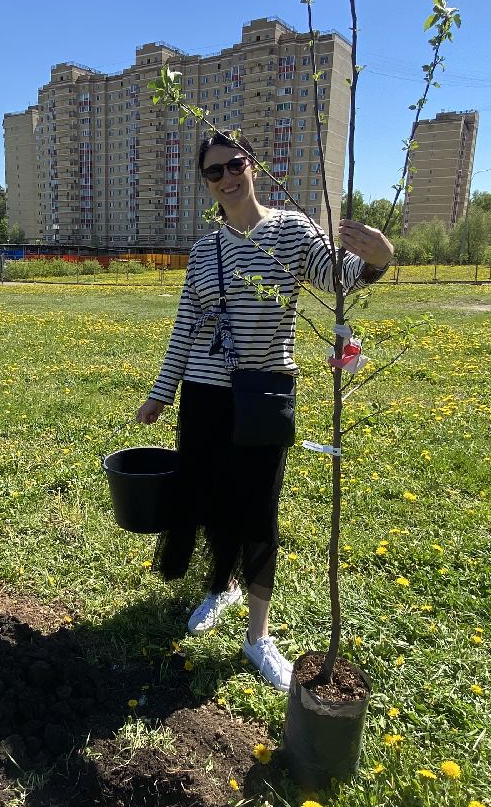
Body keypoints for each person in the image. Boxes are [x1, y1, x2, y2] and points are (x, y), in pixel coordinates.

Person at [136, 132, 394, 692]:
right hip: (205, 394)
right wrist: (162, 391)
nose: (227, 177)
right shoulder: (205, 249)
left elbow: (341, 278)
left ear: (252, 166)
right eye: (214, 172)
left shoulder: (291, 230)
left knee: (257, 509)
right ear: (205, 183)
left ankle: (258, 636)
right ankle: (219, 587)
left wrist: (379, 258)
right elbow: (186, 324)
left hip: (266, 391)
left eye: (234, 165)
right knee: (208, 495)